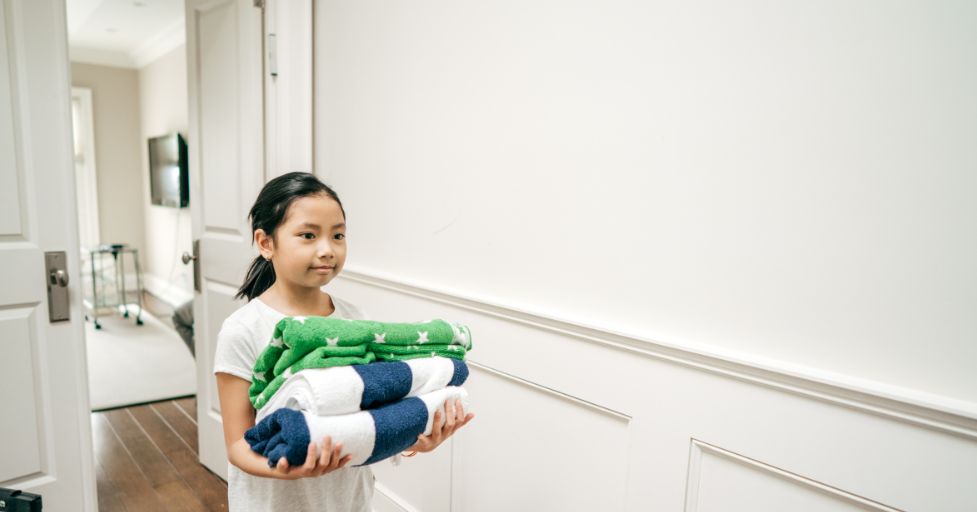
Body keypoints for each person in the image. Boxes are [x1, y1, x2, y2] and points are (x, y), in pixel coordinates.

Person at [213, 172, 474, 511]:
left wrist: (416, 440)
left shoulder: (355, 322)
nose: (327, 249)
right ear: (266, 243)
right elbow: (237, 445)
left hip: (349, 501)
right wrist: (289, 470)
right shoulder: (243, 329)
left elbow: (371, 418)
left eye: (338, 235)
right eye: (308, 235)